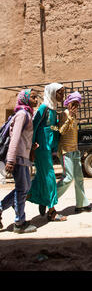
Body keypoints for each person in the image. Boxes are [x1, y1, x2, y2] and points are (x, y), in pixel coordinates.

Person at [0, 89, 39, 233]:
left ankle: (2, 209)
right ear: (25, 99)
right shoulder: (22, 114)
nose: (36, 100)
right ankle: (19, 223)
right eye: (33, 97)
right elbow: (15, 137)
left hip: (22, 156)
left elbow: (22, 137)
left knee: (24, 188)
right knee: (23, 189)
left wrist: (31, 146)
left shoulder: (27, 113)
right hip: (17, 158)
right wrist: (10, 160)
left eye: (36, 97)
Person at [27, 83, 67, 222]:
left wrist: (60, 130)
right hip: (40, 148)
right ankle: (52, 211)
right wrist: (31, 148)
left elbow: (52, 127)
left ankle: (21, 198)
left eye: (63, 93)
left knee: (41, 178)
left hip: (48, 148)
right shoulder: (44, 108)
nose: (62, 96)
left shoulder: (53, 109)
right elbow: (34, 127)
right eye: (60, 93)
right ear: (52, 93)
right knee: (50, 176)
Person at [56, 92, 92, 213]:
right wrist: (70, 117)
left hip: (74, 150)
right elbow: (61, 131)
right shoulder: (64, 114)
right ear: (68, 103)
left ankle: (81, 204)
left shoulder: (75, 116)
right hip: (65, 150)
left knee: (79, 178)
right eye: (74, 103)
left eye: (77, 104)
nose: (75, 106)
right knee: (68, 178)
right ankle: (50, 199)